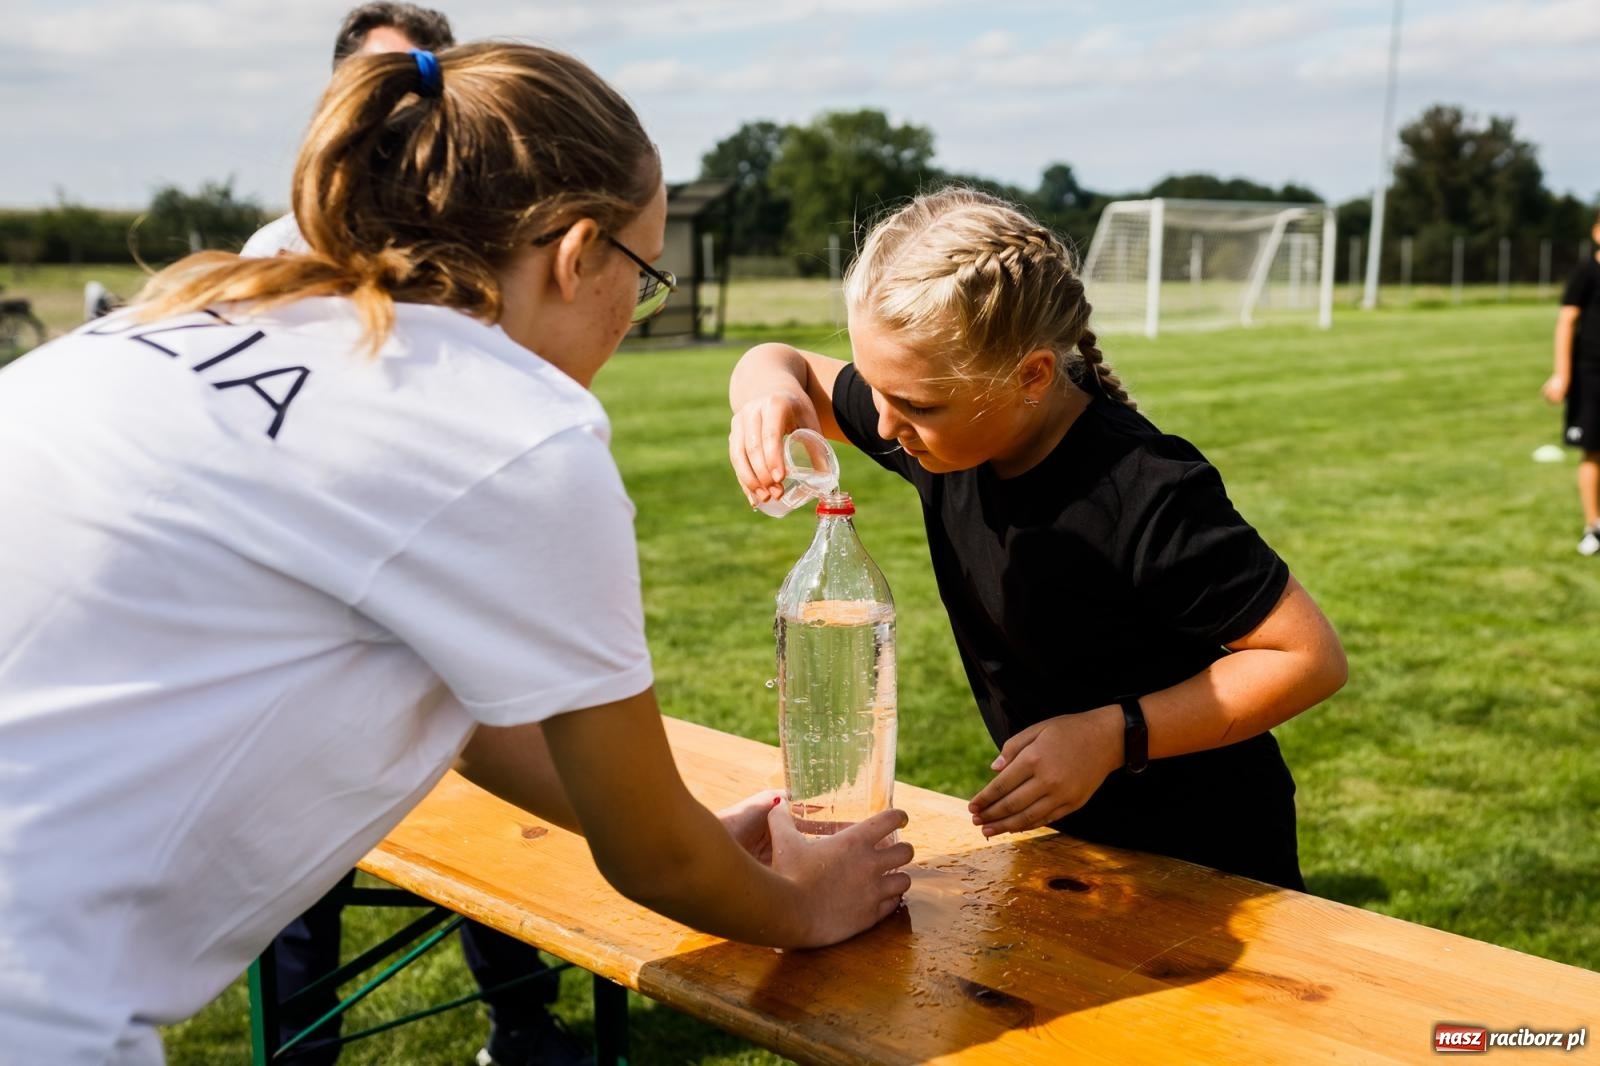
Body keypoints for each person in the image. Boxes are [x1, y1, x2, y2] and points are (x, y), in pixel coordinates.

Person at [0, 42, 913, 1066]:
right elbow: (653, 857)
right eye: (645, 277)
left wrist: (693, 829)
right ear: (578, 254)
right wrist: (807, 905)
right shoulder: (510, 430)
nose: (635, 313)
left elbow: (473, 715)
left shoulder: (211, 308)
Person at [728, 187, 1346, 892]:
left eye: (916, 405)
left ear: (1031, 376)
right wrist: (769, 398)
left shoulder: (1148, 489)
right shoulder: (945, 431)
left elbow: (1308, 658)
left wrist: (1112, 735)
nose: (887, 426)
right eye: (874, 388)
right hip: (1075, 853)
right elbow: (775, 359)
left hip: (1211, 853)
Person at [240, 8, 577, 1065]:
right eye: (383, 87)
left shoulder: (481, 255)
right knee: (302, 870)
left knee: (496, 811)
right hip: (305, 615)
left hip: (436, 589)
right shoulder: (275, 253)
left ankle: (524, 1024)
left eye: (423, 90)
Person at [1541, 213, 1600, 556]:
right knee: (1593, 450)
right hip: (1591, 375)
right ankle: (1593, 526)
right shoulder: (1586, 273)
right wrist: (1562, 374)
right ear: (1596, 232)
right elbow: (1566, 322)